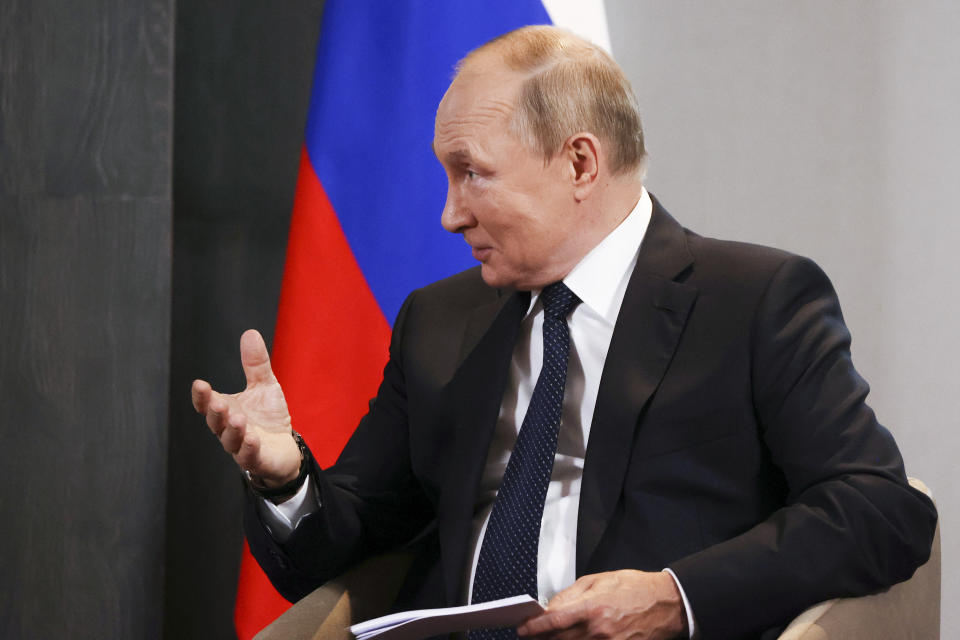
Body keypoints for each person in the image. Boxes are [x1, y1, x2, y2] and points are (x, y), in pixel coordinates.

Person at [191, 26, 937, 640]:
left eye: (472, 174)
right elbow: (344, 543)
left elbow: (880, 509)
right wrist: (283, 476)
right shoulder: (439, 321)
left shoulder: (752, 301)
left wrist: (675, 596)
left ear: (579, 162)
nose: (449, 215)